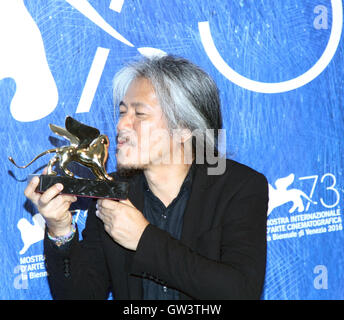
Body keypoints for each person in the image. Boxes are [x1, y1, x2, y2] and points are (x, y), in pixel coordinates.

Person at [24, 55, 268, 300]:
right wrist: (60, 230)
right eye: (122, 112)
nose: (121, 125)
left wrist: (143, 239)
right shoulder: (112, 191)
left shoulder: (239, 187)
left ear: (184, 129)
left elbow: (241, 291)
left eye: (139, 114)